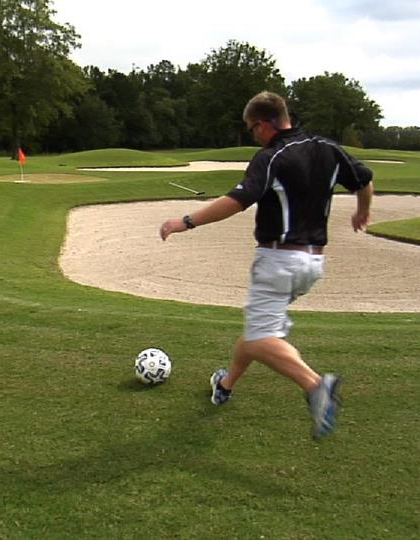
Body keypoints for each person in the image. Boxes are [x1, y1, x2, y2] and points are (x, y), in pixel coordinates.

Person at [159, 90, 374, 440]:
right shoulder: (328, 148)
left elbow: (238, 200)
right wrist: (363, 209)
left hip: (278, 259)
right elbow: (364, 178)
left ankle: (316, 385)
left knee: (262, 335)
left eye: (252, 128)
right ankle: (225, 385)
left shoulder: (272, 156)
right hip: (312, 265)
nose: (253, 135)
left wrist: (185, 221)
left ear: (264, 124)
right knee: (258, 328)